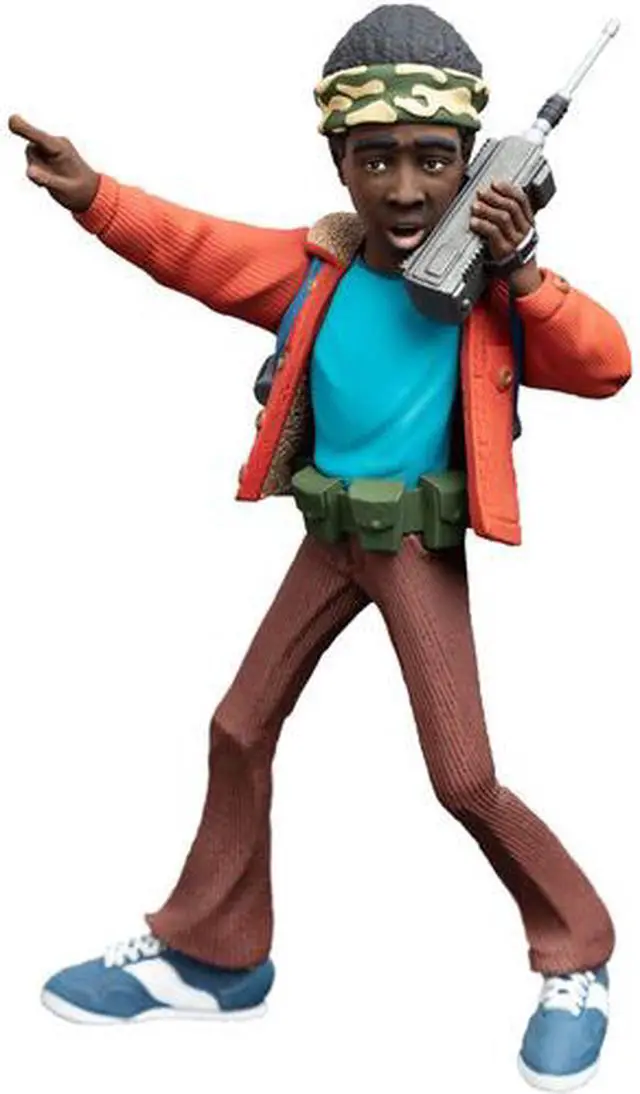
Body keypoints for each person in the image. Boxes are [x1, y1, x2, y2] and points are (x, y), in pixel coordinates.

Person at [8, 4, 630, 1090]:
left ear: (476, 164)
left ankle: (577, 951)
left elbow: (606, 363)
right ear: (339, 162)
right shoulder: (316, 272)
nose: (405, 189)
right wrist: (93, 194)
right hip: (328, 535)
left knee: (464, 776)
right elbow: (195, 248)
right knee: (238, 725)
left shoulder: (487, 290)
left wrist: (524, 271)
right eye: (376, 159)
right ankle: (214, 953)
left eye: (433, 160)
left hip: (414, 546)